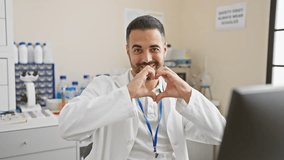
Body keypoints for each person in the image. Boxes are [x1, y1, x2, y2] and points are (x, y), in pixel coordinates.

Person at [59, 15, 226, 160]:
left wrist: (188, 94)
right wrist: (126, 94)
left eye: (154, 49)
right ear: (128, 51)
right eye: (137, 50)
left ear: (165, 50)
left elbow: (222, 134)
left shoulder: (176, 94)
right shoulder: (106, 86)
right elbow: (67, 127)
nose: (146, 58)